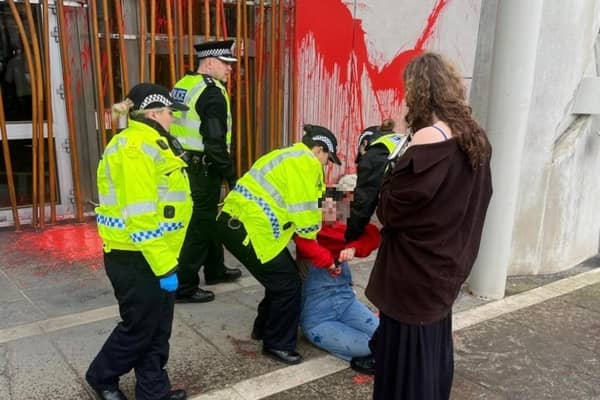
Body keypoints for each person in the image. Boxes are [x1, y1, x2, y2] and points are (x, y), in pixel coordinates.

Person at [365, 52, 493, 400]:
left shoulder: (428, 140)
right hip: (446, 266)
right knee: (430, 357)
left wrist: (383, 173)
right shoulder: (474, 136)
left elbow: (392, 209)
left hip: (413, 274)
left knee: (405, 369)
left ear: (418, 91)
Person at [87, 83, 191, 400]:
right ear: (155, 112)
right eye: (171, 112)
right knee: (139, 327)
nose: (173, 118)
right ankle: (102, 377)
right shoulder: (134, 147)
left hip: (155, 253)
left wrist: (166, 261)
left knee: (158, 327)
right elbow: (140, 215)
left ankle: (153, 390)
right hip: (134, 256)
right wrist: (164, 268)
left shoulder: (153, 141)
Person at [216, 124, 341, 365]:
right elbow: (305, 224)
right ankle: (278, 344)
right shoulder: (306, 164)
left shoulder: (285, 155)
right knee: (288, 284)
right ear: (318, 149)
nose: (326, 164)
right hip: (249, 229)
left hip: (237, 222)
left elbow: (313, 204)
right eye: (328, 158)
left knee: (279, 277)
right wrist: (325, 257)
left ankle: (262, 328)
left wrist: (331, 216)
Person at [170, 39, 241, 303]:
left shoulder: (184, 84)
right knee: (199, 226)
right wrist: (231, 175)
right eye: (226, 64)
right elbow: (214, 142)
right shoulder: (212, 92)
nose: (230, 70)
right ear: (210, 63)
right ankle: (184, 286)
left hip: (184, 164)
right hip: (202, 168)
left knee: (208, 219)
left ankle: (215, 269)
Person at [294, 182, 380, 363]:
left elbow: (372, 234)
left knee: (386, 335)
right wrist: (329, 261)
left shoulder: (341, 226)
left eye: (336, 208)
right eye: (327, 208)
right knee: (369, 346)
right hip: (319, 318)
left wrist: (354, 248)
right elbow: (304, 242)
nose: (333, 215)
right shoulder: (308, 232)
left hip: (346, 303)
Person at [345, 118, 407, 242]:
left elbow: (364, 200)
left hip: (405, 217)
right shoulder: (401, 140)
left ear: (364, 144)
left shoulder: (374, 152)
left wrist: (351, 235)